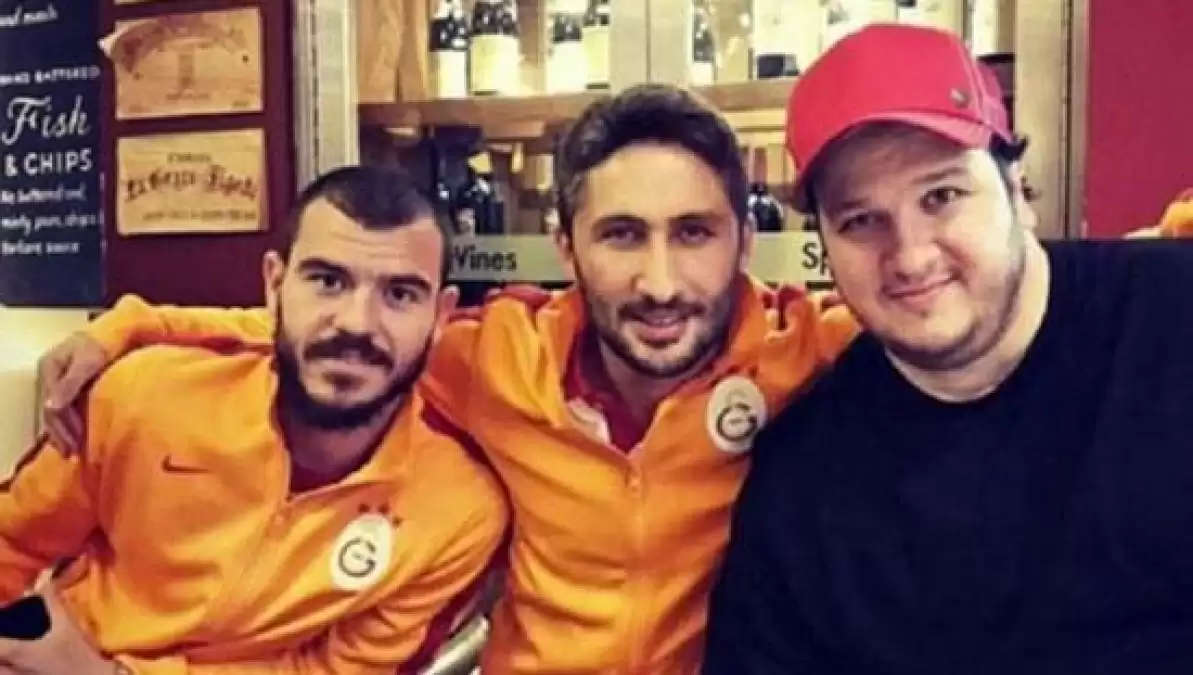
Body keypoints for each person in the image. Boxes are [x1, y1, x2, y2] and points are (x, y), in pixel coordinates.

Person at [35, 85, 857, 673]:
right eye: (620, 235)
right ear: (567, 248)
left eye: (693, 233)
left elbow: (916, 322)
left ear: (743, 242)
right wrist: (131, 325)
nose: (659, 281)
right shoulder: (495, 354)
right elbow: (341, 336)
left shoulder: (804, 349)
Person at [703, 24, 1193, 674]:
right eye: (860, 220)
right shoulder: (802, 483)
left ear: (1016, 189)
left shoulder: (1170, 321)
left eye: (941, 196)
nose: (909, 256)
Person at [0, 166, 507, 675]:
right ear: (274, 283)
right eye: (327, 281)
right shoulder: (147, 396)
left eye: (400, 294)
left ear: (441, 316)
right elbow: (11, 543)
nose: (356, 323)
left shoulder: (458, 513)